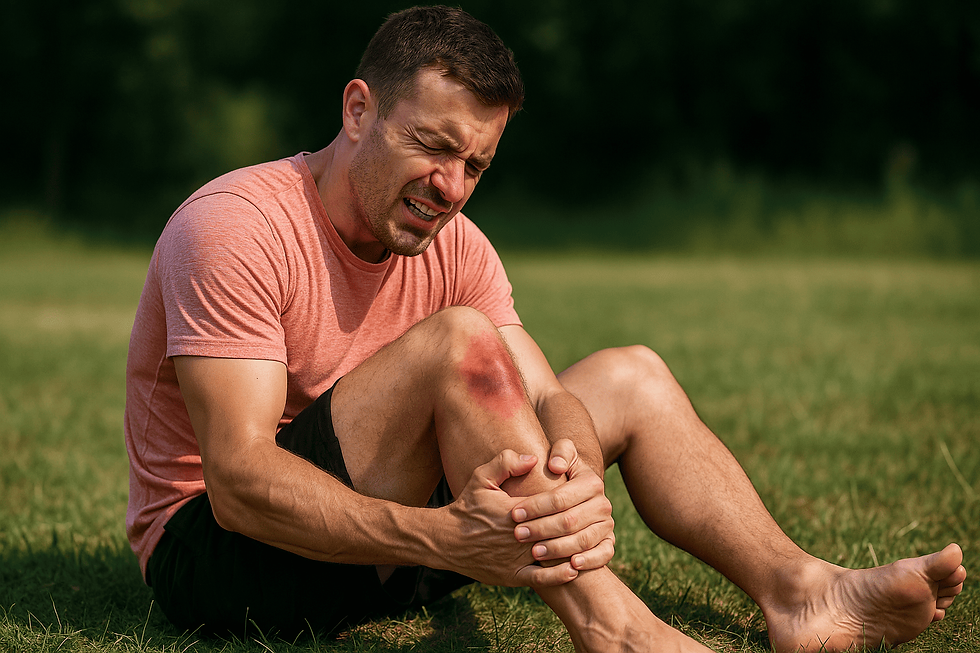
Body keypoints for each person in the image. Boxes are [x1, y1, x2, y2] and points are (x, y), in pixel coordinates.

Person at [124, 6, 966, 652]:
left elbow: (549, 393)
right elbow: (236, 485)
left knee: (628, 374)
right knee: (459, 344)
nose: (451, 186)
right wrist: (447, 538)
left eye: (477, 165)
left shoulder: (454, 242)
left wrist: (569, 477)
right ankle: (618, 631)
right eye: (432, 145)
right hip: (227, 561)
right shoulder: (236, 224)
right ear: (357, 109)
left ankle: (801, 592)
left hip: (393, 544)